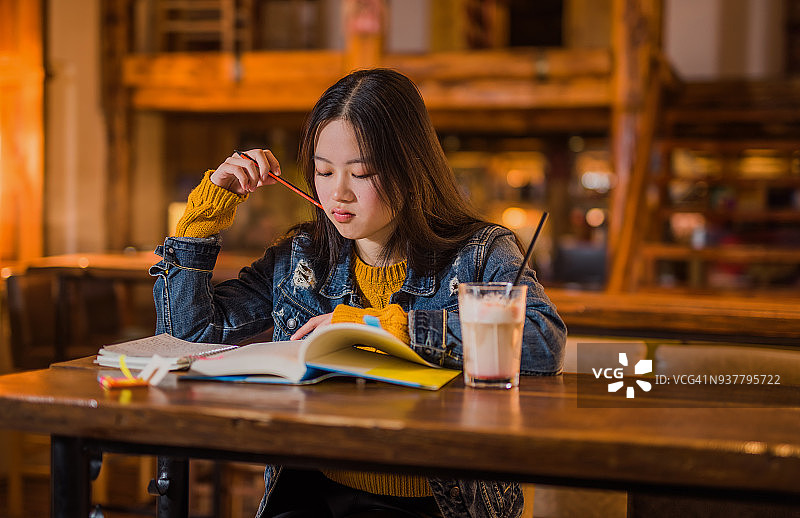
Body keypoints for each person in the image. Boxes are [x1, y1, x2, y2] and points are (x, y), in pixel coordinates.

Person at [151, 68, 567, 518]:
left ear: (411, 171)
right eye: (324, 172)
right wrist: (205, 217)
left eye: (362, 174)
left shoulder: (480, 253)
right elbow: (186, 334)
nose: (337, 194)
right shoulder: (301, 258)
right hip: (315, 494)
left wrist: (382, 328)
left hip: (439, 504)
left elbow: (542, 343)